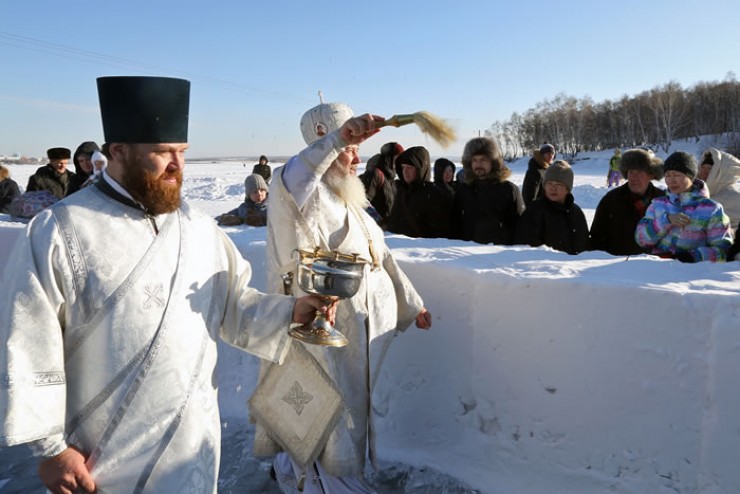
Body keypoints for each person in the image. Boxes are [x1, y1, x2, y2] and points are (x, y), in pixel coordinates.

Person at [0, 76, 334, 494]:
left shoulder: (198, 226)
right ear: (117, 152)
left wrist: (291, 311)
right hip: (100, 456)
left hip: (192, 444)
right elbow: (28, 341)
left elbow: (234, 307)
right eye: (162, 153)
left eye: (182, 152)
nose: (178, 165)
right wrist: (51, 450)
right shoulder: (60, 230)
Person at [259, 101, 432, 493]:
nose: (355, 158)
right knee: (326, 417)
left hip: (354, 334)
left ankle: (307, 473)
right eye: (347, 151)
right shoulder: (300, 193)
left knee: (343, 415)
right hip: (318, 330)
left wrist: (411, 303)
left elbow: (379, 256)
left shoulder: (350, 199)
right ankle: (326, 484)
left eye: (356, 150)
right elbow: (296, 173)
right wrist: (341, 137)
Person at [636, 151, 732, 262]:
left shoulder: (711, 209)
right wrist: (665, 220)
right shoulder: (658, 204)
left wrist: (691, 257)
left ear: (690, 176)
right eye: (668, 175)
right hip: (657, 269)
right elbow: (641, 239)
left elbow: (723, 250)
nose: (672, 180)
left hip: (690, 274)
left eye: (677, 175)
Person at [590, 148, 666, 256]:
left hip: (656, 267)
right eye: (631, 172)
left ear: (651, 174)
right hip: (618, 267)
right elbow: (596, 238)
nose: (634, 177)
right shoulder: (611, 200)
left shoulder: (664, 200)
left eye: (639, 172)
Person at [451, 136, 524, 245]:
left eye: (483, 160)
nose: (478, 164)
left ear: (493, 162)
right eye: (475, 160)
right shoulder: (464, 189)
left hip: (497, 255)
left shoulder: (508, 190)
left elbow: (519, 228)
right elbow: (455, 224)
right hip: (466, 254)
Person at [515, 160, 589, 254]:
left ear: (568, 188)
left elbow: (585, 244)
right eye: (549, 183)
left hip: (574, 266)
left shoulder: (576, 212)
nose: (553, 188)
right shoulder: (534, 211)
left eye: (559, 184)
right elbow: (525, 244)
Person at [386, 146, 452, 238]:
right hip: (396, 246)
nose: (405, 171)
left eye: (409, 167)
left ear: (420, 168)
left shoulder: (435, 195)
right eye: (403, 167)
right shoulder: (399, 190)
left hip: (419, 249)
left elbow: (439, 233)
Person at [358, 141, 403, 222]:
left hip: (388, 230)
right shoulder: (375, 174)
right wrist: (380, 223)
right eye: (398, 158)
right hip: (376, 229)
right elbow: (363, 204)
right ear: (390, 157)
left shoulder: (390, 177)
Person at [698, 147, 740, 233]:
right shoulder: (698, 193)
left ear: (721, 172)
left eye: (710, 168)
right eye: (703, 167)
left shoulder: (734, 196)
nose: (704, 172)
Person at [522, 142, 556, 207]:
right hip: (537, 211)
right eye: (548, 153)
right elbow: (529, 196)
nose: (551, 156)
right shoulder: (535, 170)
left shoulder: (546, 169)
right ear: (542, 155)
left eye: (552, 153)